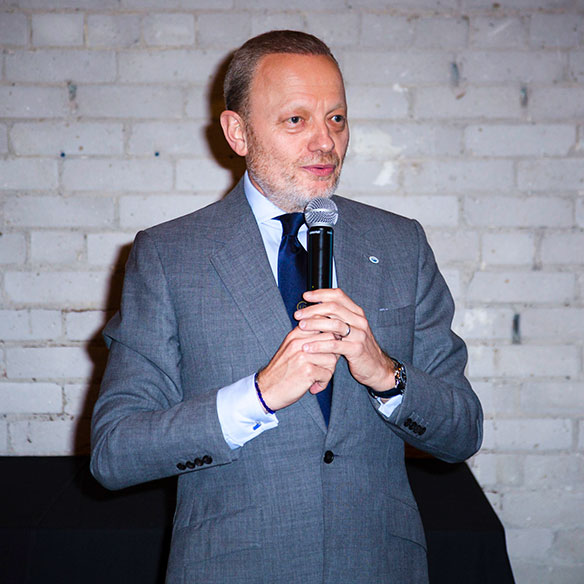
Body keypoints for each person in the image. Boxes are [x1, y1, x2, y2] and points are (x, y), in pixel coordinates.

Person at [90, 30, 483, 584]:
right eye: (296, 120)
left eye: (336, 119)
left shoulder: (401, 244)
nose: (325, 142)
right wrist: (257, 396)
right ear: (238, 132)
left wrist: (384, 374)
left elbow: (462, 431)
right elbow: (115, 452)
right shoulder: (169, 255)